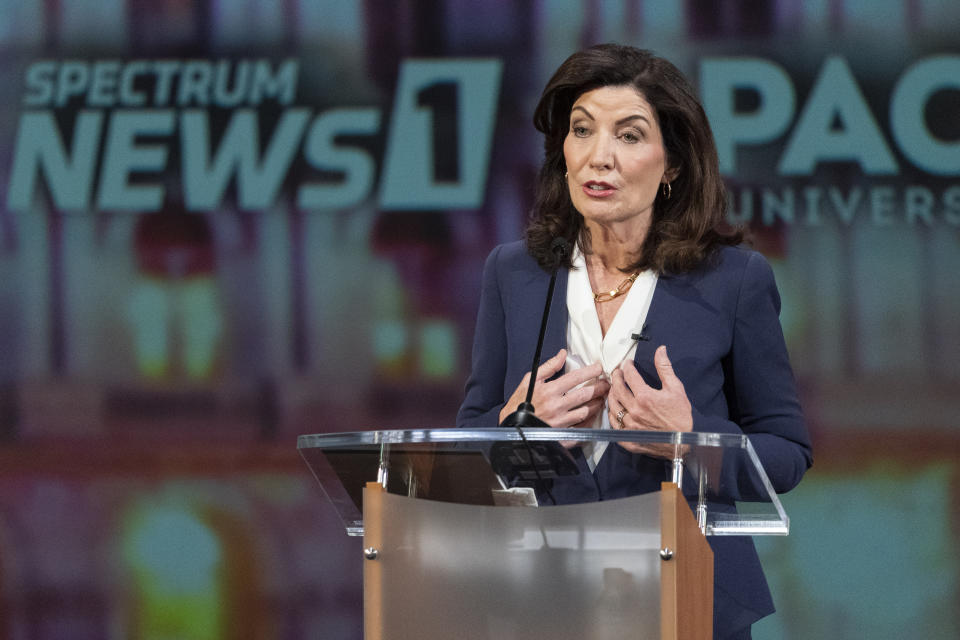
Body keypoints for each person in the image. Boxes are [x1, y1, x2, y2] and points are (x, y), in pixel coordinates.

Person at [456, 44, 813, 639]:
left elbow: (787, 454)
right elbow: (464, 446)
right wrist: (524, 427)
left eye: (628, 136)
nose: (600, 158)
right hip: (541, 600)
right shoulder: (513, 273)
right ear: (562, 153)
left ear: (671, 163)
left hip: (690, 599)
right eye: (581, 131)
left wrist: (689, 440)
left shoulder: (734, 281)